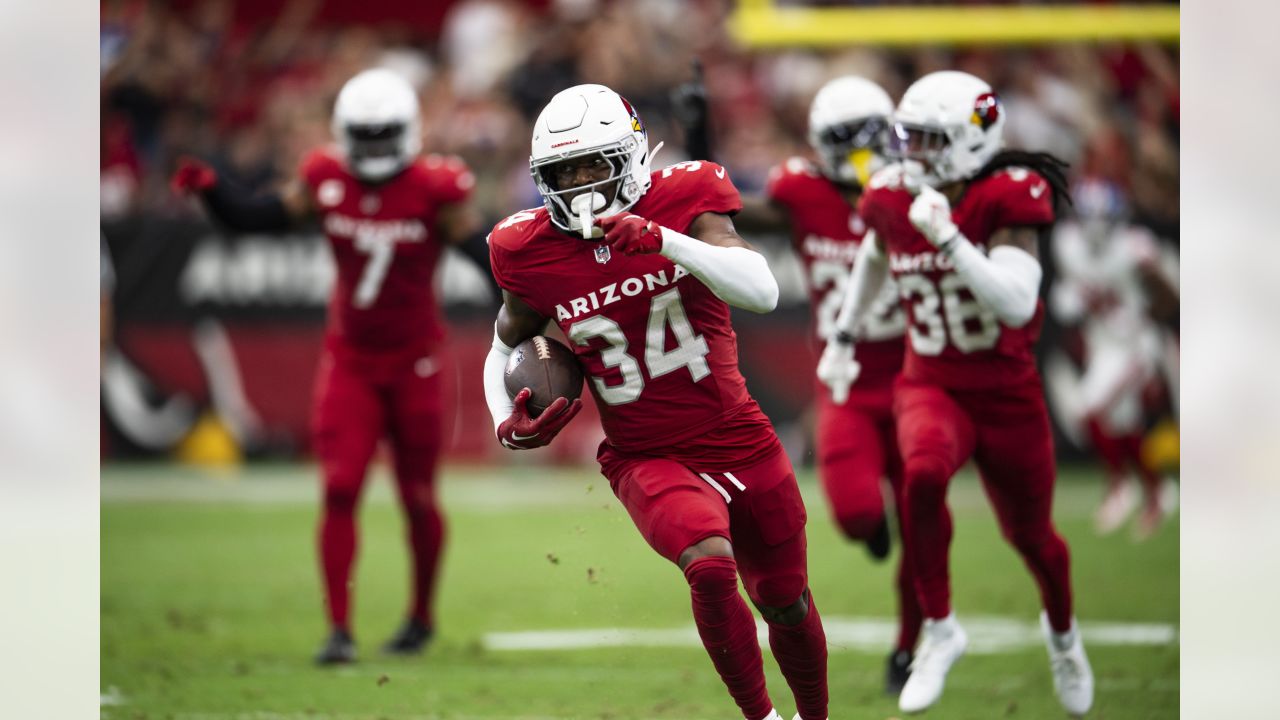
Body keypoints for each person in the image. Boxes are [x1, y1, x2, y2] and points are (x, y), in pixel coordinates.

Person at [483, 84, 828, 720]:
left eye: (594, 164)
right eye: (564, 171)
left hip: (738, 435)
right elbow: (504, 345)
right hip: (645, 453)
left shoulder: (684, 196)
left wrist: (664, 241)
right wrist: (504, 417)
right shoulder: (524, 247)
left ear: (633, 154)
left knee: (786, 599)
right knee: (708, 560)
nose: (580, 183)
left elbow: (763, 290)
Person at [171, 68, 480, 664]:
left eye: (380, 133)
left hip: (417, 362)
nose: (369, 147)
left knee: (418, 495)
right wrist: (214, 189)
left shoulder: (437, 188)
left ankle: (419, 617)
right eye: (361, 134)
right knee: (339, 488)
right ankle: (339, 630)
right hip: (353, 363)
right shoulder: (324, 176)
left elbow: (481, 251)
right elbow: (258, 218)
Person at [817, 71, 1094, 715]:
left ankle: (1063, 637)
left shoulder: (1005, 194)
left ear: (972, 140)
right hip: (932, 381)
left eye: (929, 140)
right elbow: (876, 257)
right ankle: (939, 631)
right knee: (922, 472)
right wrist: (846, 333)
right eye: (907, 138)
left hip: (1005, 392)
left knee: (1034, 540)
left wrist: (950, 239)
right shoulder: (890, 196)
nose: (912, 155)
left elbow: (1017, 301)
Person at [715, 75, 919, 695]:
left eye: (866, 134)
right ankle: (872, 529)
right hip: (847, 380)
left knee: (922, 518)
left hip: (919, 378)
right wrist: (700, 143)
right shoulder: (803, 191)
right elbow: (727, 212)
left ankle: (910, 646)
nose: (858, 147)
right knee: (857, 513)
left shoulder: (918, 190)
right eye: (844, 138)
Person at [1048, 177, 1178, 539]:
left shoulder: (1134, 249)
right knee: (1123, 426)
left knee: (1089, 409)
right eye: (1088, 216)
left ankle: (1121, 486)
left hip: (1136, 345)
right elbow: (1071, 294)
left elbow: (1171, 294)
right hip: (1105, 348)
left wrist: (1146, 315)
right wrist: (1073, 301)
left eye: (1100, 217)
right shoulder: (1068, 245)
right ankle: (1157, 491)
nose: (1093, 226)